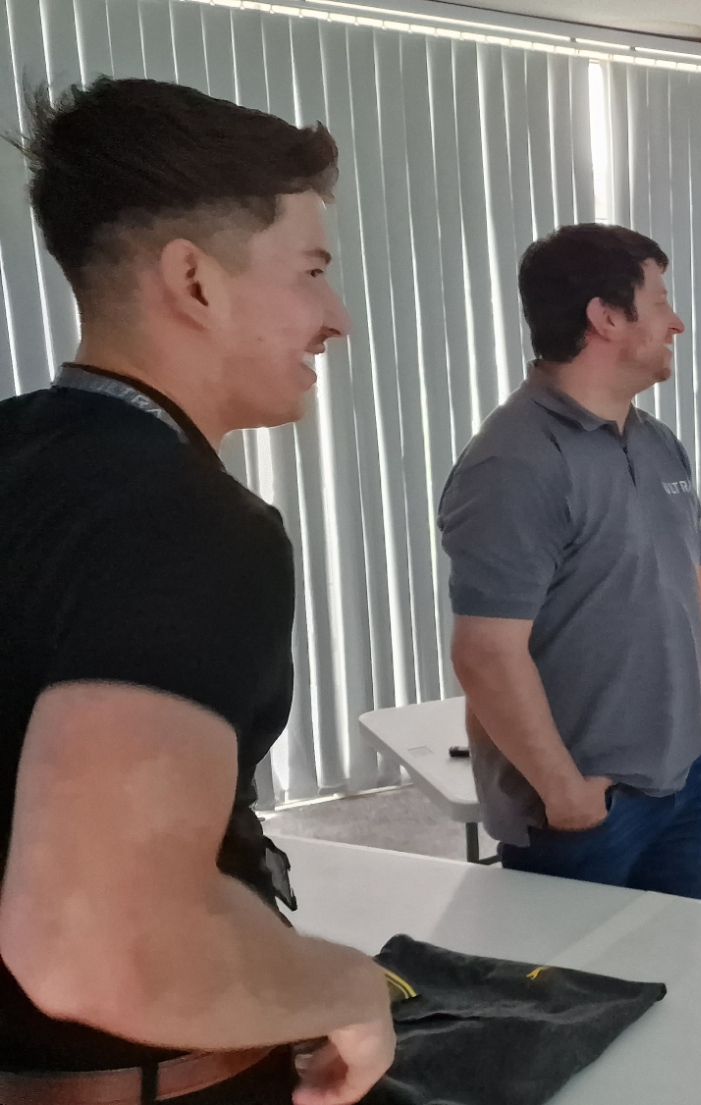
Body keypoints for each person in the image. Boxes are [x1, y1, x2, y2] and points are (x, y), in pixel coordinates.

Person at [0, 80, 392, 1103]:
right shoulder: (189, 524)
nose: (336, 319)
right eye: (312, 272)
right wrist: (347, 986)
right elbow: (100, 948)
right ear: (195, 281)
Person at [439, 223, 701, 899]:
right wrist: (564, 793)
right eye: (659, 302)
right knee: (587, 969)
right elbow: (486, 653)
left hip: (685, 776)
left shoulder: (657, 441)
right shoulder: (513, 462)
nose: (677, 323)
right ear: (606, 317)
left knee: (689, 956)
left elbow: (699, 578)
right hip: (588, 809)